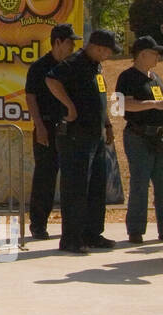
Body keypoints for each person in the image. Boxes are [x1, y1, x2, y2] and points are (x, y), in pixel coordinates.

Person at [46, 29, 121, 254]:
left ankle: (92, 233)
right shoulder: (75, 62)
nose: (108, 55)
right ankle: (71, 238)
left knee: (96, 188)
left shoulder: (95, 67)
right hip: (75, 136)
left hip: (95, 135)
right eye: (107, 51)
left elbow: (98, 99)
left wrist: (106, 124)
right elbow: (51, 79)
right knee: (76, 189)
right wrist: (69, 106)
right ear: (97, 47)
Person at [118, 36, 163, 244]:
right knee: (139, 183)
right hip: (138, 136)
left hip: (162, 135)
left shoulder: (155, 77)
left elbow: (162, 103)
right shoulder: (126, 77)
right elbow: (122, 106)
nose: (158, 57)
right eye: (154, 53)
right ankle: (135, 230)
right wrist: (155, 104)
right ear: (142, 54)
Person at [23, 23, 83, 239]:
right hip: (47, 126)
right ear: (57, 42)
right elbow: (31, 98)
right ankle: (38, 224)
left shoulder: (72, 67)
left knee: (73, 178)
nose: (73, 47)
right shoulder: (39, 67)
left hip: (70, 128)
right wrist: (39, 126)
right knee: (45, 177)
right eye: (70, 42)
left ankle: (73, 226)